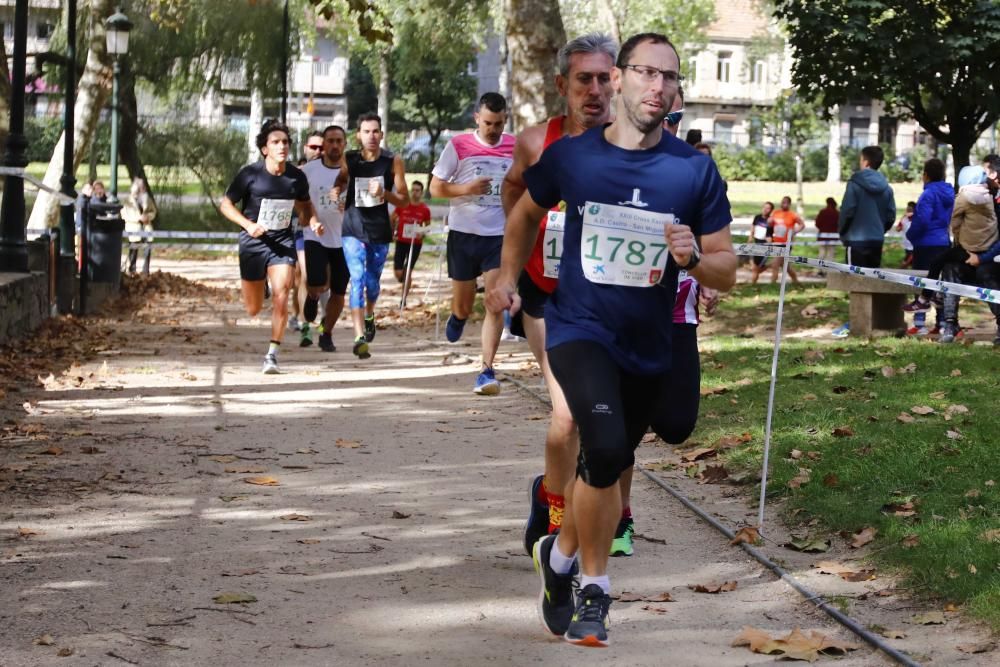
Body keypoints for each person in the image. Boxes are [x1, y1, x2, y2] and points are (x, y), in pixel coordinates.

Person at [488, 32, 736, 647]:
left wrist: (692, 261)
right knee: (597, 441)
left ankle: (561, 554)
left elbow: (726, 268)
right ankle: (595, 592)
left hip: (649, 339)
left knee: (611, 460)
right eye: (646, 73)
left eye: (670, 77)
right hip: (578, 327)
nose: (658, 86)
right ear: (620, 80)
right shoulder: (575, 157)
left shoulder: (693, 170)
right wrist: (508, 275)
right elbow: (522, 212)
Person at [500, 33, 617, 556]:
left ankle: (590, 508)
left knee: (607, 417)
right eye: (582, 79)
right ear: (561, 86)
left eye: (604, 78)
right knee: (568, 413)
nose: (594, 90)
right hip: (546, 292)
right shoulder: (534, 141)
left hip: (610, 297)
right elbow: (513, 192)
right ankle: (553, 511)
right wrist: (515, 258)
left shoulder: (629, 141)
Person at [220, 119, 324, 374]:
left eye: (285, 142)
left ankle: (272, 355)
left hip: (282, 242)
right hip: (253, 242)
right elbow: (225, 205)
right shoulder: (250, 174)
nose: (282, 146)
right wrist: (247, 225)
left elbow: (304, 205)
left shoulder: (296, 177)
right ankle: (261, 285)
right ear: (265, 149)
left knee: (282, 295)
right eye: (276, 142)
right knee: (253, 309)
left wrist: (312, 221)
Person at [429, 92, 515, 395]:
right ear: (477, 118)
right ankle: (459, 315)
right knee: (464, 304)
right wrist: (466, 187)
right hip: (464, 234)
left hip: (499, 236)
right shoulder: (459, 146)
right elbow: (435, 187)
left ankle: (487, 370)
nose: (494, 130)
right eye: (489, 123)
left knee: (495, 301)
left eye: (499, 124)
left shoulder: (514, 146)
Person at [334, 112, 410, 359]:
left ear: (382, 134)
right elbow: (341, 180)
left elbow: (405, 199)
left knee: (372, 283)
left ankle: (369, 313)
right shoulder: (350, 159)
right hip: (353, 228)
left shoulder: (392, 161)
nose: (371, 136)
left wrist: (385, 193)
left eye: (375, 131)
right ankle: (358, 336)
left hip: (379, 230)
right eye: (366, 131)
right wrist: (336, 191)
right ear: (358, 135)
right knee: (356, 278)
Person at [904, 165, 997, 338]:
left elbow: (947, 221)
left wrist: (911, 235)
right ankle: (945, 322)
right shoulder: (988, 196)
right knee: (947, 270)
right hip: (976, 246)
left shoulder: (957, 197)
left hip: (945, 245)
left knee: (936, 265)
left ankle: (925, 300)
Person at [301, 125, 350, 353]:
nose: (334, 145)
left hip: (345, 238)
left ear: (345, 144)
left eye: (339, 141)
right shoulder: (309, 170)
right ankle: (312, 295)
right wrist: (309, 218)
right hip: (315, 236)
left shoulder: (352, 172)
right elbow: (298, 199)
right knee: (318, 282)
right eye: (330, 141)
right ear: (324, 145)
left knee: (339, 291)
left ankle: (326, 333)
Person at [904, 158, 954, 335]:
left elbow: (923, 221)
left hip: (926, 243)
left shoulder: (928, 194)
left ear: (926, 175)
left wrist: (911, 235)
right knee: (940, 282)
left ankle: (919, 324)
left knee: (922, 281)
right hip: (943, 241)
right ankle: (941, 323)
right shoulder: (949, 193)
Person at [289, 131, 326, 342]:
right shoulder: (296, 173)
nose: (318, 151)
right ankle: (304, 323)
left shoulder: (336, 173)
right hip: (299, 231)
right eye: (313, 147)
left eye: (321, 148)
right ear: (305, 148)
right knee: (302, 277)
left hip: (328, 233)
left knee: (324, 282)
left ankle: (322, 320)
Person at [391, 179, 432, 306]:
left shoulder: (424, 209)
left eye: (417, 190)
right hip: (401, 241)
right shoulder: (403, 205)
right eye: (413, 190)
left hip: (415, 243)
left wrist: (423, 232)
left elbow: (427, 226)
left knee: (408, 270)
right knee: (399, 272)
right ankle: (404, 280)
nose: (415, 193)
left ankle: (403, 299)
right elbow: (392, 218)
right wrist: (393, 232)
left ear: (422, 192)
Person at [122, 178, 158, 275]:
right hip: (134, 228)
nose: (140, 190)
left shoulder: (147, 198)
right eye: (139, 188)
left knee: (147, 249)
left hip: (146, 227)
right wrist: (138, 218)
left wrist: (148, 217)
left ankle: (146, 270)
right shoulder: (127, 200)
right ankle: (132, 269)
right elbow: (125, 214)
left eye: (142, 188)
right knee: (133, 249)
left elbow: (153, 211)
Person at [768, 196, 804, 285]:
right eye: (782, 202)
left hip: (786, 244)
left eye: (785, 202)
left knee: (775, 263)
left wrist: (794, 232)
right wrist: (769, 222)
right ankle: (796, 281)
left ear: (789, 204)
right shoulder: (776, 213)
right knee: (785, 266)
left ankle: (773, 283)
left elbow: (802, 225)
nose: (783, 204)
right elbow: (770, 224)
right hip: (776, 242)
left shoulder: (792, 215)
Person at [748, 201, 774, 285]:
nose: (765, 209)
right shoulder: (757, 217)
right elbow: (753, 228)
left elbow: (771, 234)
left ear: (771, 210)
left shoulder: (770, 221)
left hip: (764, 246)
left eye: (768, 208)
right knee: (755, 268)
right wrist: (750, 238)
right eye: (764, 207)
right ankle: (771, 265)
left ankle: (752, 284)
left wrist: (769, 242)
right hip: (756, 243)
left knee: (756, 268)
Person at [814, 197, 839, 271]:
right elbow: (840, 224)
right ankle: (828, 271)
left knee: (821, 253)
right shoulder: (837, 213)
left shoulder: (823, 212)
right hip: (833, 237)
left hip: (822, 236)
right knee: (830, 254)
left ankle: (819, 270)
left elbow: (817, 223)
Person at [895, 201, 916, 268]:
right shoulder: (904, 218)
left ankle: (903, 266)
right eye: (908, 209)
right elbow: (898, 229)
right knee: (909, 257)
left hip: (914, 243)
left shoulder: (916, 218)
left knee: (910, 258)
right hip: (906, 243)